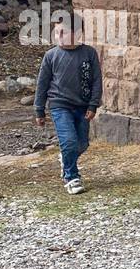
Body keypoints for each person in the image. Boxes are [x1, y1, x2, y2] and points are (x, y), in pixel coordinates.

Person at [34, 19, 102, 195]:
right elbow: (42, 83)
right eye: (56, 33)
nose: (59, 37)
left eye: (64, 32)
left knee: (82, 144)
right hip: (60, 106)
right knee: (69, 141)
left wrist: (93, 104)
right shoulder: (51, 56)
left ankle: (66, 158)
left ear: (78, 33)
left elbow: (96, 81)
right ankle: (71, 177)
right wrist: (39, 109)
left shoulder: (89, 53)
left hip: (83, 106)